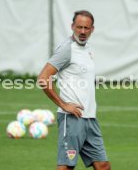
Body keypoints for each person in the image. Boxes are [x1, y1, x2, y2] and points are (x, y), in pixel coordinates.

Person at [38, 10, 111, 170]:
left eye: (86, 28)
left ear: (92, 29)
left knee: (103, 165)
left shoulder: (88, 49)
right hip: (72, 119)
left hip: (90, 118)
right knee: (66, 167)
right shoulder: (66, 49)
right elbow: (43, 78)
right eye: (79, 27)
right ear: (72, 26)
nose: (83, 32)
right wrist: (63, 104)